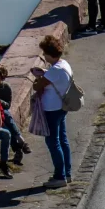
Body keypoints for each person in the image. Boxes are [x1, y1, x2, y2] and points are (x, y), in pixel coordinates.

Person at [33, 35, 74, 189]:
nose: (44, 56)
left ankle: (59, 176)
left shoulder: (54, 70)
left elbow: (37, 86)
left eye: (44, 53)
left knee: (52, 141)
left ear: (50, 54)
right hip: (62, 107)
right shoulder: (64, 64)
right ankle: (67, 173)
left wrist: (39, 76)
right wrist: (45, 73)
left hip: (52, 109)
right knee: (62, 140)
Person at [0, 64, 30, 165]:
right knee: (7, 116)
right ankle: (20, 141)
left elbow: (7, 105)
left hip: (1, 113)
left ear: (1, 77)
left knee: (7, 126)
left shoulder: (6, 88)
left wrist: (0, 101)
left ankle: (17, 150)